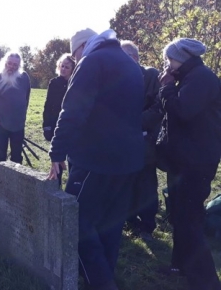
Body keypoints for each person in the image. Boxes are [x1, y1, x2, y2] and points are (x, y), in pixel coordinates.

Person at [48, 28, 144, 290]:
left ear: (80, 49)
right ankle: (103, 276)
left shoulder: (92, 62)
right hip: (129, 160)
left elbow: (72, 111)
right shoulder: (129, 62)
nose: (75, 61)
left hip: (96, 159)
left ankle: (100, 283)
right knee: (110, 224)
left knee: (76, 223)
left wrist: (57, 152)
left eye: (74, 55)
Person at [157, 38, 221, 290]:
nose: (166, 65)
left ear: (180, 58)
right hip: (185, 160)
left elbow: (182, 110)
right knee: (180, 216)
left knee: (190, 221)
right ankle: (179, 267)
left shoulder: (201, 78)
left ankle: (207, 282)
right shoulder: (192, 76)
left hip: (196, 162)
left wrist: (166, 87)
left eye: (169, 60)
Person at [121, 40, 163, 241]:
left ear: (135, 58)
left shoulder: (151, 75)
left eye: (124, 56)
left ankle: (147, 226)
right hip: (122, 144)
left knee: (146, 184)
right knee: (124, 182)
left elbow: (158, 107)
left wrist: (134, 123)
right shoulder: (116, 78)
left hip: (145, 143)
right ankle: (129, 220)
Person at [0, 51, 31, 164]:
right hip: (0, 124)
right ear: (5, 62)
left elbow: (26, 98)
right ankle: (0, 181)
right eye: (9, 63)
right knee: (1, 157)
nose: (12, 67)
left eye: (15, 65)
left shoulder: (24, 78)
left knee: (17, 157)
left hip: (18, 125)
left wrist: (22, 117)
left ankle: (16, 181)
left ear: (19, 66)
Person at [42, 53, 75, 186]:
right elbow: (48, 105)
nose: (63, 69)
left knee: (73, 158)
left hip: (72, 125)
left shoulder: (75, 83)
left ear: (73, 68)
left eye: (67, 67)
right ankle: (56, 185)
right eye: (62, 66)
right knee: (57, 157)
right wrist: (47, 126)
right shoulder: (54, 83)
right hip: (56, 124)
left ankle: (73, 185)